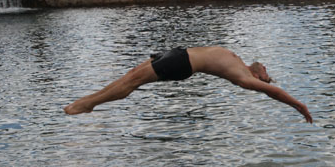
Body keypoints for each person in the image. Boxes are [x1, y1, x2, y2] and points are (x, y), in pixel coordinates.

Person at [64, 46, 313, 123]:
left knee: (132, 83)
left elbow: (274, 92)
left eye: (267, 76)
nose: (267, 71)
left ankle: (88, 105)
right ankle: (88, 101)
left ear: (260, 78)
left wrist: (298, 105)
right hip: (178, 53)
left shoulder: (245, 79)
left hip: (184, 64)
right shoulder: (240, 62)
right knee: (129, 77)